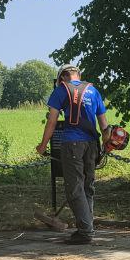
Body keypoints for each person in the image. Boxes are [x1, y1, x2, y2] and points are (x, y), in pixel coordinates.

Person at [35, 65, 109, 245]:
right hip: (92, 144)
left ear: (62, 78)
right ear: (78, 75)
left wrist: (43, 146)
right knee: (87, 187)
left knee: (75, 188)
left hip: (72, 144)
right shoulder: (93, 90)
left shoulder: (61, 90)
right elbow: (104, 125)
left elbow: (52, 122)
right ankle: (86, 227)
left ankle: (85, 232)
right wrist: (107, 146)